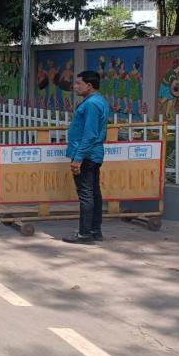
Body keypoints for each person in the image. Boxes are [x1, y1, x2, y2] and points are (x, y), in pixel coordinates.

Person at [64, 70, 111, 244]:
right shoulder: (99, 101)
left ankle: (85, 233)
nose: (75, 86)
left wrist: (78, 158)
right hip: (93, 154)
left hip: (86, 155)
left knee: (86, 194)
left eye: (78, 83)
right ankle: (94, 230)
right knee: (93, 193)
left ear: (89, 86)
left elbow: (90, 134)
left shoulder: (91, 104)